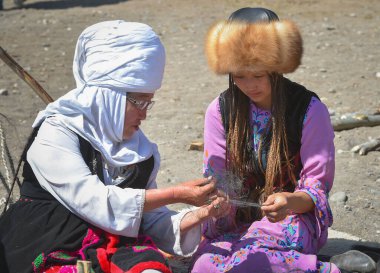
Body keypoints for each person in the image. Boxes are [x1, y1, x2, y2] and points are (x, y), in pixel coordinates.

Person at [0, 20, 229, 273]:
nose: (144, 115)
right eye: (139, 102)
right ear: (110, 96)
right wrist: (176, 193)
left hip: (111, 247)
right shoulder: (55, 134)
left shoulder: (138, 149)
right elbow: (98, 202)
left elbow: (148, 219)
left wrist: (201, 214)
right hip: (47, 244)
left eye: (148, 103)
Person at [189, 7, 356, 273]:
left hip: (291, 220)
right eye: (239, 75)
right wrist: (217, 198)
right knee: (203, 266)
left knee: (252, 261)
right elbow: (217, 176)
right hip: (234, 222)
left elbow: (316, 188)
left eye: (258, 74)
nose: (249, 85)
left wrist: (289, 201)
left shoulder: (309, 110)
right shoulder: (220, 110)